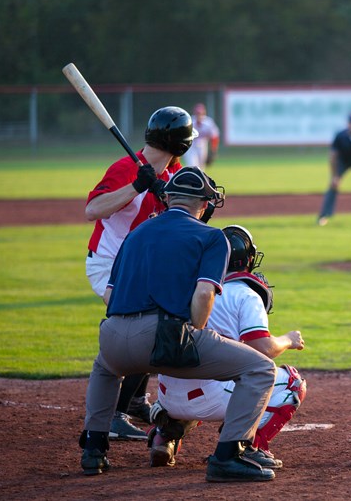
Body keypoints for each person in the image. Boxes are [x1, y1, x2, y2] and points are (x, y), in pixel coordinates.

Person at [79, 166, 278, 483]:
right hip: (166, 336)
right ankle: (229, 455)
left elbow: (110, 294)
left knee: (104, 369)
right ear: (204, 205)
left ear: (168, 198)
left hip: (113, 335)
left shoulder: (134, 235)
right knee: (261, 369)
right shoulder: (212, 236)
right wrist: (195, 333)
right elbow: (203, 294)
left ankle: (93, 450)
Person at [146, 225, 306, 469]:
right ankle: (249, 446)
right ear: (249, 259)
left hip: (167, 395)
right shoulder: (245, 294)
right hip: (210, 396)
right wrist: (288, 339)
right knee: (290, 380)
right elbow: (263, 348)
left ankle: (164, 434)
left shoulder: (185, 286)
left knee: (196, 368)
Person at [85, 106, 194, 441]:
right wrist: (136, 186)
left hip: (140, 267)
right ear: (179, 141)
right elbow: (93, 210)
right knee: (138, 327)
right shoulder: (125, 168)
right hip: (109, 263)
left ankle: (133, 401)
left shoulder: (172, 173)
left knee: (161, 320)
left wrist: (171, 198)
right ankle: (114, 415)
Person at [182, 103, 220, 168]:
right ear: (194, 113)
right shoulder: (189, 121)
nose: (199, 115)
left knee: (201, 168)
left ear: (204, 113)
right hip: (191, 147)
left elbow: (215, 137)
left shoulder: (208, 123)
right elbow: (183, 136)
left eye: (201, 113)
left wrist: (213, 151)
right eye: (197, 113)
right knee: (192, 166)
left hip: (203, 146)